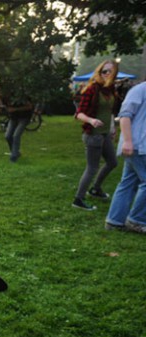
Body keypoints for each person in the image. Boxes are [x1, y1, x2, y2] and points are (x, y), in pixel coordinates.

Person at [73, 60, 120, 210]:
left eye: (110, 72)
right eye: (103, 71)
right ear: (98, 72)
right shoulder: (92, 89)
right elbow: (79, 113)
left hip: (105, 134)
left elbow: (110, 112)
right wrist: (91, 120)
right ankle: (78, 200)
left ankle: (95, 189)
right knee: (92, 167)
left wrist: (113, 127)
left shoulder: (110, 89)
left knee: (112, 162)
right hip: (93, 134)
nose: (106, 74)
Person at [105, 81, 146, 234]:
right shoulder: (140, 90)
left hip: (139, 146)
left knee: (128, 182)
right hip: (137, 146)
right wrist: (128, 141)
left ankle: (114, 221)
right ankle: (136, 220)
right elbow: (124, 116)